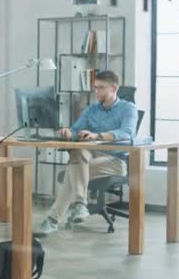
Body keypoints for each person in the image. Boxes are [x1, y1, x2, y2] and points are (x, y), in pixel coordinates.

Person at [33, 70, 137, 236]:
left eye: (101, 88)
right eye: (95, 88)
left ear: (114, 88)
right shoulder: (91, 110)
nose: (97, 92)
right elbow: (75, 130)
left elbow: (127, 132)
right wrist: (69, 132)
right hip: (89, 156)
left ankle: (55, 218)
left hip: (115, 161)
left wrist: (98, 135)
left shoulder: (128, 109)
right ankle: (79, 205)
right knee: (78, 152)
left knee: (72, 173)